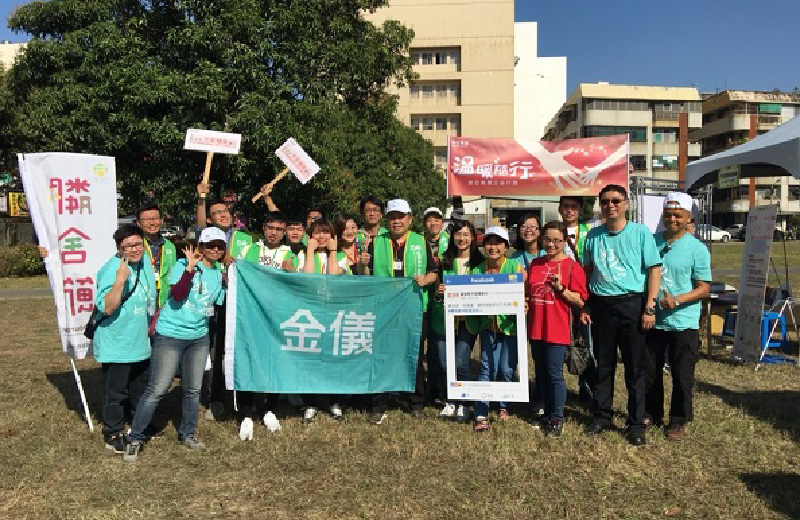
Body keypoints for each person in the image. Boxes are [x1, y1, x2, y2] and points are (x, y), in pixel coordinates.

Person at [124, 228, 227, 461]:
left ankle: (187, 433)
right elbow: (178, 294)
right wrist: (190, 268)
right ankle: (136, 437)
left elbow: (218, 303)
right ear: (201, 245)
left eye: (220, 246)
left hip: (199, 337)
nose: (215, 250)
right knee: (157, 389)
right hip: (170, 335)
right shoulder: (182, 264)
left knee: (192, 390)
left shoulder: (218, 273)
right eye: (210, 245)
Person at [580, 184, 661, 446]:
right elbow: (588, 271)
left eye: (616, 200)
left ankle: (636, 423)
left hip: (632, 304)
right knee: (603, 364)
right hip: (601, 305)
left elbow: (654, 270)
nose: (610, 205)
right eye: (605, 202)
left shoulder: (640, 233)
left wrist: (649, 306)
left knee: (634, 367)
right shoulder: (593, 236)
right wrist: (586, 304)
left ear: (626, 203)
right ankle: (602, 415)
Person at [359, 199, 438, 425]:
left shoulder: (421, 241)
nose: (396, 221)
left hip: (414, 308)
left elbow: (434, 272)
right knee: (381, 355)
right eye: (392, 217)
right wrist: (363, 263)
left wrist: (427, 279)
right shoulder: (377, 242)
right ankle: (379, 404)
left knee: (412, 355)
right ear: (387, 219)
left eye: (401, 216)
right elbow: (365, 277)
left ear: (410, 219)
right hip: (383, 309)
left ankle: (416, 402)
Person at [645, 192, 711, 440]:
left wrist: (678, 299)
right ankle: (651, 413)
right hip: (654, 319)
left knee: (682, 375)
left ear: (688, 217)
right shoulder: (652, 242)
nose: (672, 219)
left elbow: (704, 288)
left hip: (683, 322)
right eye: (668, 214)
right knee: (650, 372)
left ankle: (678, 420)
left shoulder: (697, 249)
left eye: (678, 215)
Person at [93, 225, 156, 453]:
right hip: (117, 343)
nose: (135, 249)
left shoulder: (145, 263)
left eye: (138, 244)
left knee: (139, 388)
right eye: (129, 246)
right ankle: (113, 432)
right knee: (116, 392)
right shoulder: (111, 269)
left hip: (140, 341)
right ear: (120, 248)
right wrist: (120, 280)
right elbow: (107, 307)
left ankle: (138, 424)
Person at [236, 212, 296, 441]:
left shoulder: (289, 254)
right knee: (249, 360)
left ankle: (269, 408)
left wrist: (291, 271)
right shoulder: (249, 250)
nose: (274, 233)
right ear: (263, 227)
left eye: (279, 229)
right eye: (270, 227)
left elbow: (296, 283)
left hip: (277, 316)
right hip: (251, 314)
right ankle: (246, 413)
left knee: (275, 361)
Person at [195, 184, 253, 419]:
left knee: (240, 351)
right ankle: (215, 399)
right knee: (215, 352)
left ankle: (246, 397)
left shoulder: (246, 239)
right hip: (214, 305)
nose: (223, 214)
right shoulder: (206, 241)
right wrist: (201, 199)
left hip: (241, 305)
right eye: (217, 212)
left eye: (226, 211)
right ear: (210, 219)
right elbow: (199, 225)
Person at [526, 222, 587, 437]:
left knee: (554, 374)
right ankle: (544, 410)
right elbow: (528, 291)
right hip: (535, 327)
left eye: (556, 240)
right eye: (547, 239)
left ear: (563, 242)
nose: (551, 244)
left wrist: (561, 288)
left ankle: (556, 417)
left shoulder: (572, 266)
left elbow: (580, 300)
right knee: (540, 372)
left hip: (557, 328)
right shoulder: (535, 263)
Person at [472, 227, 525, 432]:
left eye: (498, 243)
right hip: (488, 327)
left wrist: (523, 303)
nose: (493, 247)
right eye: (489, 243)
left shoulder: (515, 266)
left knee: (506, 368)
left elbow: (522, 292)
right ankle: (481, 411)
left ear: (506, 247)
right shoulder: (477, 270)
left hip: (510, 327)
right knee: (487, 368)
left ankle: (504, 405)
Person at [431, 220, 483, 422]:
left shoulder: (480, 262)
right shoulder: (445, 261)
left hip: (468, 320)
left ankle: (464, 403)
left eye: (466, 234)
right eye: (458, 234)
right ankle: (450, 401)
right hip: (445, 319)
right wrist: (439, 291)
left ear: (472, 237)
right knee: (444, 363)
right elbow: (436, 292)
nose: (462, 238)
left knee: (461, 362)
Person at [558, 196, 596, 402]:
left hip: (583, 296)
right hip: (559, 296)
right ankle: (558, 385)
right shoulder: (553, 231)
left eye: (574, 207)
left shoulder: (589, 233)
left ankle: (587, 385)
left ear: (580, 210)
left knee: (586, 342)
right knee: (560, 343)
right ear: (560, 208)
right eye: (566, 207)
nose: (570, 211)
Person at [423, 206, 449, 403]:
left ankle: (443, 389)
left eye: (437, 220)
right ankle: (432, 389)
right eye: (430, 220)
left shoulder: (450, 241)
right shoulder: (419, 242)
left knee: (441, 348)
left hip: (444, 302)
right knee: (430, 349)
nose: (433, 223)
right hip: (424, 299)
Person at [137, 203, 178, 309]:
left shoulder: (170, 246)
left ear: (161, 220)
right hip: (141, 302)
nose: (152, 223)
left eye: (155, 218)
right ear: (138, 223)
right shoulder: (135, 245)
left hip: (165, 301)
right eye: (146, 220)